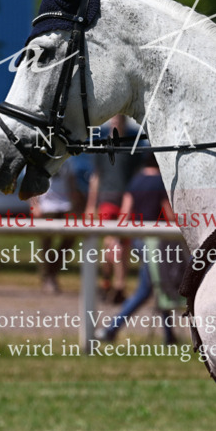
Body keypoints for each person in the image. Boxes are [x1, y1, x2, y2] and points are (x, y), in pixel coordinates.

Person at [95, 154, 185, 344]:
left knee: (157, 285)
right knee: (146, 289)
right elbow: (168, 214)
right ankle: (111, 329)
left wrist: (117, 238)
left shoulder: (135, 181)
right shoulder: (160, 182)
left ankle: (169, 336)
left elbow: (125, 212)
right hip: (158, 242)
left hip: (138, 241)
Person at [85, 115, 139, 303]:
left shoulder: (132, 147)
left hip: (126, 200)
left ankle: (114, 284)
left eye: (119, 121)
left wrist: (131, 201)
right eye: (113, 121)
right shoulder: (102, 147)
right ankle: (115, 284)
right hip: (106, 200)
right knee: (111, 242)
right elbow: (96, 178)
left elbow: (137, 176)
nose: (115, 124)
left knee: (123, 246)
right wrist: (90, 205)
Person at [29, 157, 80, 294]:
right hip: (46, 206)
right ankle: (47, 278)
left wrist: (75, 202)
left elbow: (71, 181)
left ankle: (52, 270)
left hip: (65, 205)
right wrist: (34, 205)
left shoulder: (68, 159)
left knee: (71, 238)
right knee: (46, 243)